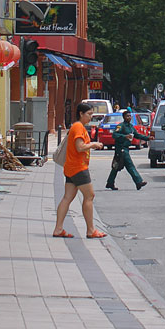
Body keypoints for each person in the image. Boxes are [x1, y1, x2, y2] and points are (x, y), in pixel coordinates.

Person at [53, 102, 106, 239]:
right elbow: (80, 147)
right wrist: (93, 144)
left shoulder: (77, 126)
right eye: (89, 114)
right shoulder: (78, 127)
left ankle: (58, 229)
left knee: (67, 198)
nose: (90, 117)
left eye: (91, 114)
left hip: (71, 167)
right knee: (89, 196)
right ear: (81, 114)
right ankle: (91, 230)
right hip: (78, 168)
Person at [105, 109, 154, 190]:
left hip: (126, 148)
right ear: (124, 117)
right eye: (127, 116)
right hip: (121, 149)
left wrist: (148, 138)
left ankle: (110, 183)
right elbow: (115, 135)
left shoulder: (131, 127)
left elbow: (137, 135)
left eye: (130, 116)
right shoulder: (121, 126)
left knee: (116, 166)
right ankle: (138, 182)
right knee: (130, 165)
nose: (129, 117)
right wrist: (125, 136)